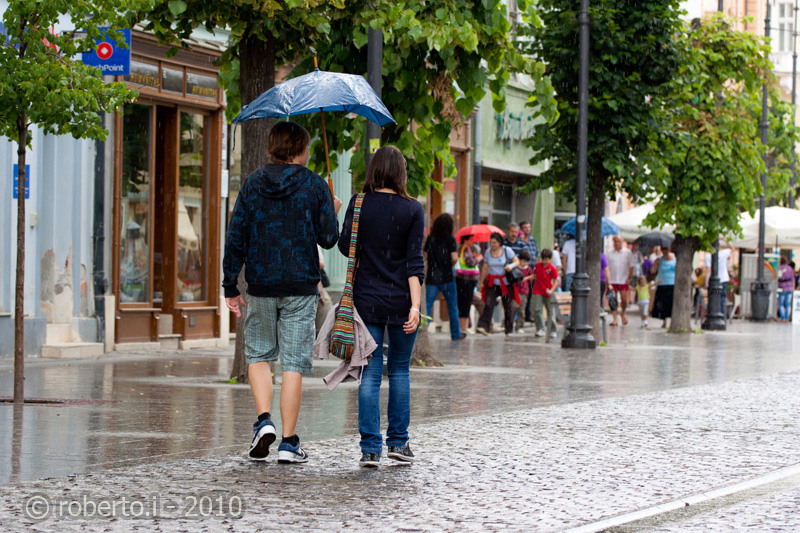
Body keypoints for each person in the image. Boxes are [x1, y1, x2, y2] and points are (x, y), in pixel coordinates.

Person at [222, 121, 341, 464]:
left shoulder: (253, 183)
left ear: (273, 147)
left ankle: (264, 422)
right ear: (300, 149)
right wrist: (331, 211)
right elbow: (328, 239)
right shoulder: (315, 185)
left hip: (261, 283)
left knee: (259, 354)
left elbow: (236, 235)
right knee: (293, 363)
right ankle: (288, 443)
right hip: (300, 286)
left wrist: (230, 284)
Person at [337, 145, 424, 468]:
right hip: (401, 300)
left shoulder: (359, 203)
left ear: (374, 169)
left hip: (367, 300)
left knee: (370, 374)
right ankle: (398, 443)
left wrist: (340, 214)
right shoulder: (413, 209)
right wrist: (415, 307)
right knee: (400, 370)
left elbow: (346, 247)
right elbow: (414, 263)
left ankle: (370, 449)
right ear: (401, 172)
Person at [424, 213, 464, 341]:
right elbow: (455, 258)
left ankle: (421, 333)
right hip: (447, 278)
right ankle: (456, 334)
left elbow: (425, 256)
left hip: (432, 277)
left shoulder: (430, 238)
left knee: (427, 306)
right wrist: (447, 266)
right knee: (453, 307)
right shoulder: (450, 239)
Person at [476, 232, 519, 336]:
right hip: (492, 282)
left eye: (494, 242)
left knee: (507, 306)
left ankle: (509, 330)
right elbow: (485, 267)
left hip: (505, 283)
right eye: (491, 242)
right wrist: (481, 282)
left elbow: (517, 261)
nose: (492, 244)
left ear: (499, 243)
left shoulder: (507, 250)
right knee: (488, 303)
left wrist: (511, 266)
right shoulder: (488, 252)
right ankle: (484, 327)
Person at [455, 234, 482, 334]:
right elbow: (470, 262)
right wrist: (478, 259)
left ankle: (463, 326)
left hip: (465, 280)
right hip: (466, 280)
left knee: (464, 302)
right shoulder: (465, 249)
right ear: (465, 240)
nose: (473, 241)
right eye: (471, 239)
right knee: (465, 303)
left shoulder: (464, 249)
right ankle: (463, 327)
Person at [607, 235, 636, 326]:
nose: (617, 243)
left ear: (622, 242)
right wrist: (608, 280)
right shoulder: (609, 253)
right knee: (613, 300)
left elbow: (631, 266)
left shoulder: (627, 252)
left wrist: (629, 278)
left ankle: (623, 313)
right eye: (615, 241)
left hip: (623, 279)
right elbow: (607, 267)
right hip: (612, 280)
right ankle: (615, 319)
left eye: (619, 241)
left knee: (624, 299)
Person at [532, 248, 559, 338]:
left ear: (550, 259)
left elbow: (555, 281)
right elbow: (535, 275)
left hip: (548, 292)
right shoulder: (537, 265)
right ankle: (540, 329)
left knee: (550, 311)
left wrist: (551, 290)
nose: (545, 261)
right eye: (543, 259)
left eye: (547, 259)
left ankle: (553, 330)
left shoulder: (552, 268)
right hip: (538, 290)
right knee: (537, 310)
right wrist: (527, 278)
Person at [651, 246, 676, 329]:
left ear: (669, 249)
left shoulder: (675, 258)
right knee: (663, 304)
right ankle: (664, 321)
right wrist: (655, 264)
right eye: (663, 250)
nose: (664, 252)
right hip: (662, 284)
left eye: (666, 250)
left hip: (672, 283)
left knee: (671, 303)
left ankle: (672, 320)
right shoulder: (659, 260)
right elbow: (653, 271)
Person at [518, 221, 539, 321]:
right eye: (525, 227)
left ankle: (527, 315)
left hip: (531, 270)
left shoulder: (532, 240)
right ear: (521, 229)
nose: (527, 229)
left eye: (528, 227)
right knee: (520, 293)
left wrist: (537, 269)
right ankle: (519, 316)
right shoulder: (519, 241)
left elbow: (536, 255)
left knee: (529, 293)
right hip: (521, 270)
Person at [704, 242, 732, 315]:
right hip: (723, 279)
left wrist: (706, 282)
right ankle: (721, 315)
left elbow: (708, 270)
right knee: (722, 298)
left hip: (713, 280)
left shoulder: (708, 256)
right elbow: (732, 248)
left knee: (712, 298)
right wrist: (725, 240)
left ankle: (712, 313)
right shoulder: (723, 254)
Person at [513, 250, 534, 334]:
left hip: (524, 292)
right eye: (523, 261)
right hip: (515, 291)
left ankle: (519, 326)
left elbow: (530, 280)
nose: (525, 263)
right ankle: (508, 324)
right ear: (519, 260)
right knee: (513, 308)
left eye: (527, 261)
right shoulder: (515, 268)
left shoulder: (529, 269)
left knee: (522, 310)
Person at [778, 256, 795, 322]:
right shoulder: (790, 268)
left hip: (782, 287)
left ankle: (783, 318)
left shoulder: (779, 268)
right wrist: (793, 288)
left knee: (781, 304)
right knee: (788, 304)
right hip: (789, 288)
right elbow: (793, 279)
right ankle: (787, 317)